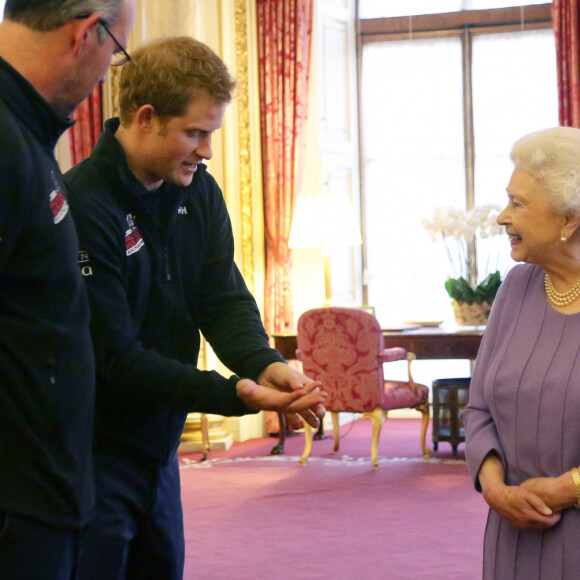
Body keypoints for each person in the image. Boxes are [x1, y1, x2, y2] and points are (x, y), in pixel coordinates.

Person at [63, 36, 327, 580]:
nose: (206, 151)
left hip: (160, 456)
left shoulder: (198, 192)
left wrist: (262, 363)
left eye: (211, 133)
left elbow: (222, 299)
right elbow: (116, 359)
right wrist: (234, 395)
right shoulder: (84, 206)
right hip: (92, 457)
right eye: (195, 133)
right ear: (145, 118)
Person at [0, 1, 135, 578]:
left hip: (40, 495)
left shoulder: (25, 133)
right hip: (16, 505)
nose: (109, 69)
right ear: (88, 33)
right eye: (116, 52)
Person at [462, 126, 580, 579]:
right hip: (512, 533)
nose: (501, 217)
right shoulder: (516, 287)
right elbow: (478, 408)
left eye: (518, 203)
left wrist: (564, 490)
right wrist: (495, 489)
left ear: (569, 218)